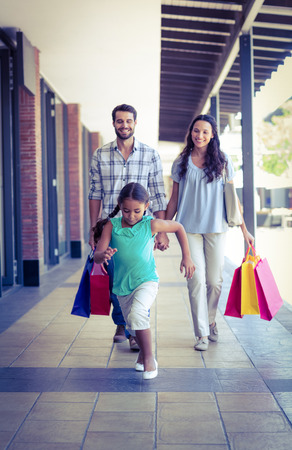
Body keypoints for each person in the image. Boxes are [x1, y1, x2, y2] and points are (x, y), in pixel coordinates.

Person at [166, 114, 254, 351]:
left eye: (205, 131)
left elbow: (233, 199)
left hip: (216, 228)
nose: (200, 135)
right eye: (196, 131)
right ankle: (202, 333)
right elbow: (174, 200)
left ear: (213, 134)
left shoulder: (224, 162)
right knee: (196, 280)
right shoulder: (181, 162)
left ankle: (211, 319)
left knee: (214, 282)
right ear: (191, 132)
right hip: (188, 230)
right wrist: (162, 229)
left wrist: (245, 231)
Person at [93, 182, 195, 379]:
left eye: (137, 211)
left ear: (146, 206)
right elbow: (97, 254)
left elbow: (179, 227)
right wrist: (102, 255)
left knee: (138, 313)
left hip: (146, 280)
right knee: (132, 323)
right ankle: (142, 355)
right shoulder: (110, 226)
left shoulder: (151, 224)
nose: (131, 216)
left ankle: (149, 359)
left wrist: (187, 256)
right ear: (119, 205)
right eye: (126, 211)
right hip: (122, 286)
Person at [88, 104, 169, 350]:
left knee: (139, 276)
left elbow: (158, 193)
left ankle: (133, 328)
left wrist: (162, 231)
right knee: (116, 277)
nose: (124, 125)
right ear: (113, 123)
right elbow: (94, 194)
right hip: (111, 227)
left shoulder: (150, 154)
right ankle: (122, 322)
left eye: (129, 121)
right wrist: (93, 230)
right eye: (120, 121)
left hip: (141, 228)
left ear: (135, 123)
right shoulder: (99, 155)